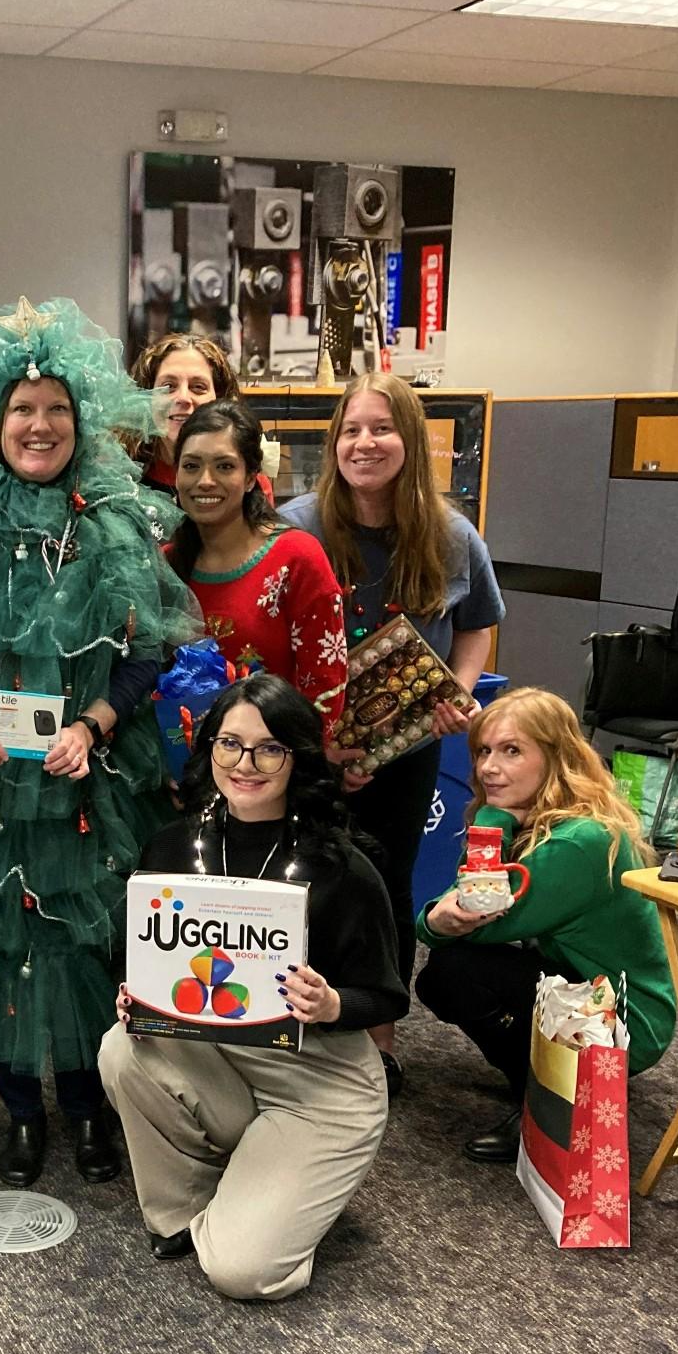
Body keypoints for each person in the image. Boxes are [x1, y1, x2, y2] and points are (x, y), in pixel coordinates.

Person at [0, 296, 195, 1187]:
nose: (40, 424)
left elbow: (144, 657)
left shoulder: (115, 521)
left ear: (80, 419)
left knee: (86, 944)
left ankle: (94, 1108)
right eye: (23, 409)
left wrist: (95, 728)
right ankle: (22, 1113)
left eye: (57, 409)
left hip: (85, 781)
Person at [100, 675, 405, 1299]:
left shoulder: (341, 865)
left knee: (244, 1274)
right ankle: (193, 1208)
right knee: (122, 1046)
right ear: (208, 747)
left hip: (319, 1083)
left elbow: (388, 996)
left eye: (270, 749)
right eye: (229, 744)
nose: (246, 764)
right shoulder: (172, 846)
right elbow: (133, 955)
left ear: (297, 758)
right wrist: (135, 995)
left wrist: (331, 1003)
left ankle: (265, 1195)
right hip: (223, 1057)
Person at [278, 371, 504, 1096]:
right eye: (350, 430)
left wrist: (458, 694)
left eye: (382, 428)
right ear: (333, 441)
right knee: (299, 882)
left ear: (411, 440)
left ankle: (379, 1038)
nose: (364, 443)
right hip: (312, 746)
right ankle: (293, 1029)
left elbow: (477, 628)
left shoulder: (452, 534)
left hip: (406, 749)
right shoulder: (297, 525)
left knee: (385, 886)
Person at [415, 687, 676, 1163]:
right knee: (449, 971)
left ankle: (550, 1101)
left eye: (511, 751)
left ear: (557, 758)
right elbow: (455, 910)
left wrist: (490, 823)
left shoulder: (578, 842)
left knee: (455, 973)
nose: (488, 768)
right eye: (483, 751)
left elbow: (475, 919)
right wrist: (438, 918)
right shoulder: (546, 819)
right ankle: (557, 1081)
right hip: (586, 986)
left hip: (625, 1020)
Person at [166, 400, 345, 725]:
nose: (205, 481)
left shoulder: (296, 558)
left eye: (224, 466)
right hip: (183, 768)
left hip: (274, 765)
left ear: (251, 478)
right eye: (191, 466)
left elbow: (325, 689)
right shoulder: (166, 565)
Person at [126, 333, 239, 500]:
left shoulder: (243, 479)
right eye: (169, 386)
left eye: (198, 387)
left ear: (220, 399)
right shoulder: (119, 477)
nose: (183, 398)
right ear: (146, 397)